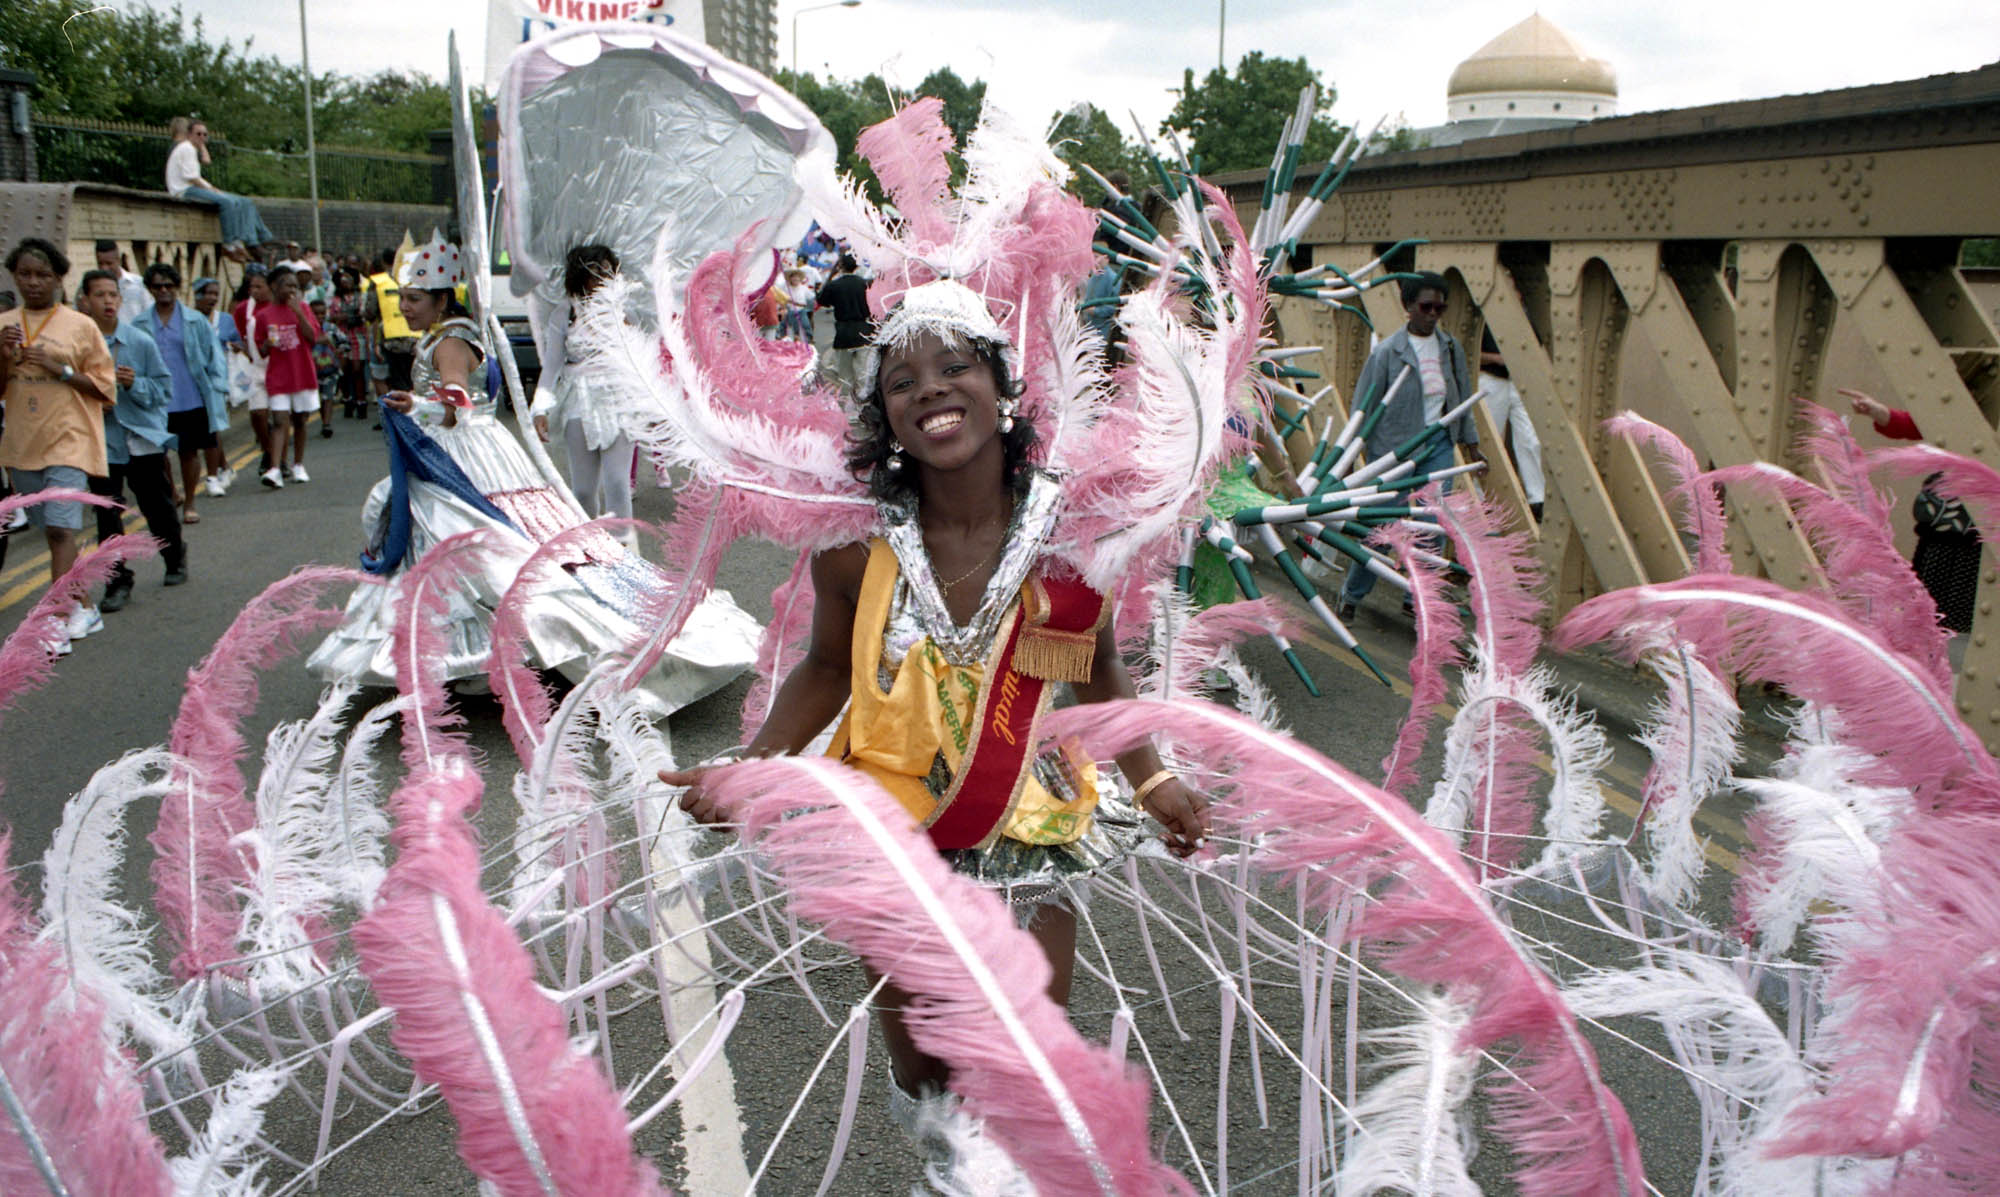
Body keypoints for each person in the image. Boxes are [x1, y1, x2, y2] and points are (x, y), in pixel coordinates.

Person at [662, 278, 1208, 1112]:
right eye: (903, 382)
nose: (932, 391)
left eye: (956, 367)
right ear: (886, 418)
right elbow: (827, 669)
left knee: (1024, 1051)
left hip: (1026, 818)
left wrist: (1152, 776)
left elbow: (1094, 666)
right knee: (923, 1065)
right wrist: (751, 765)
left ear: (1002, 390)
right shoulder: (853, 545)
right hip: (895, 826)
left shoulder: (1066, 537)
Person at [306, 232, 758, 704]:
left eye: (414, 298)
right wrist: (542, 405)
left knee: (548, 518)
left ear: (441, 299)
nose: (405, 306)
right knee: (562, 506)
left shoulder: (452, 341)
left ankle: (585, 593)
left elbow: (459, 398)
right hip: (523, 426)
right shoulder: (528, 321)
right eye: (403, 297)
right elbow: (550, 368)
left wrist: (418, 405)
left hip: (510, 437)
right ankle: (472, 648)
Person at [1335, 271, 1482, 621]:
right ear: (1408, 307)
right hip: (1393, 451)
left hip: (1438, 445)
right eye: (1426, 306)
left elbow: (1461, 398)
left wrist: (1472, 446)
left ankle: (1420, 602)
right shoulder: (1388, 353)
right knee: (1384, 527)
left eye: (1439, 307)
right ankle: (1352, 593)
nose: (1433, 314)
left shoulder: (1450, 348)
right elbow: (1363, 406)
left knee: (1432, 525)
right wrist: (1355, 454)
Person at [0, 238, 117, 653]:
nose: (33, 282)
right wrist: (4, 357)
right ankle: (84, 604)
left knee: (59, 528)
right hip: (23, 442)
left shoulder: (80, 325)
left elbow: (105, 387)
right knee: (51, 533)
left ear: (58, 278)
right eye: (25, 275)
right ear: (14, 276)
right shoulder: (5, 323)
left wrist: (61, 369)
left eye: (42, 275)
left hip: (69, 440)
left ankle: (56, 621)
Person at [77, 270, 185, 608]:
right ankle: (117, 581)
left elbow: (162, 390)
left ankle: (174, 556)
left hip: (140, 437)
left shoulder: (138, 341)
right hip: (101, 441)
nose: (107, 301)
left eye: (113, 295)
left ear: (120, 301)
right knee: (108, 514)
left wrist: (132, 384)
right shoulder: (79, 345)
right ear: (85, 301)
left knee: (156, 505)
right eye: (99, 295)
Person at [1845, 387, 1979, 634]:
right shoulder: (1965, 408)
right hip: (1945, 526)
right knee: (1931, 614)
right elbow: (1921, 423)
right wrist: (1880, 412)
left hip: (1974, 532)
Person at [530, 244, 637, 524]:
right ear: (580, 276)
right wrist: (540, 408)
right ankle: (590, 547)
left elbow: (643, 356)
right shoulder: (564, 313)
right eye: (595, 273)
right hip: (577, 399)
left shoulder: (624, 309)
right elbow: (552, 365)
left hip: (619, 399)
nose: (603, 279)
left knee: (616, 482)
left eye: (608, 272)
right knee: (583, 489)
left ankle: (623, 551)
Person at [138, 263, 231, 523]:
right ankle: (172, 492)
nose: (164, 290)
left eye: (169, 285)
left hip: (191, 396)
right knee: (159, 454)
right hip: (156, 400)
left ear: (177, 287)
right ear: (150, 289)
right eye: (158, 286)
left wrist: (218, 388)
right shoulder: (140, 323)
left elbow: (214, 356)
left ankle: (190, 502)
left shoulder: (194, 320)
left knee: (189, 452)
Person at [164, 117, 276, 258]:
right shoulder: (187, 148)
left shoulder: (191, 148)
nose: (202, 137)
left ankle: (255, 241)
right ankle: (229, 243)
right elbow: (191, 177)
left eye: (205, 135)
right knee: (227, 202)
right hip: (183, 189)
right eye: (198, 134)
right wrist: (211, 188)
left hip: (191, 186)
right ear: (189, 134)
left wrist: (211, 188)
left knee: (244, 202)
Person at [251, 265, 321, 487]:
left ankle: (298, 465)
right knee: (280, 421)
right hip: (278, 376)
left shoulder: (303, 308)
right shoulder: (263, 316)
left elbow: (313, 337)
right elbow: (261, 350)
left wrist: (299, 313)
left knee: (300, 420)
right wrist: (268, 344)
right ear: (275, 287)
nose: (292, 290)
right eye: (287, 285)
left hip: (302, 374)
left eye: (295, 286)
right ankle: (274, 470)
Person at [1476, 337, 1544, 522]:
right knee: (1489, 440)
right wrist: (1495, 359)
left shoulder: (1521, 314)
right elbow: (1470, 351)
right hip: (1491, 379)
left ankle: (1537, 499)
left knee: (1530, 439)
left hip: (1517, 381)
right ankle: (1480, 498)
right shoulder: (1484, 320)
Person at [188, 275, 239, 494]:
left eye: (215, 294)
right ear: (197, 295)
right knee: (206, 430)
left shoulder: (225, 320)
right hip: (191, 382)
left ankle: (212, 477)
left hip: (217, 382)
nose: (212, 298)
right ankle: (225, 467)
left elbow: (239, 341)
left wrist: (238, 347)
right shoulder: (187, 319)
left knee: (213, 428)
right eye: (207, 293)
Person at [228, 267, 276, 476]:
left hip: (276, 366)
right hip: (253, 366)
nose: (254, 291)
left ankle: (278, 460)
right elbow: (237, 336)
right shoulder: (243, 310)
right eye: (251, 287)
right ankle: (267, 450)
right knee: (258, 413)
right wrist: (242, 348)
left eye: (259, 286)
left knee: (280, 416)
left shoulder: (276, 306)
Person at [814, 253, 872, 398]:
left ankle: (849, 404)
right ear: (856, 266)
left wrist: (830, 277)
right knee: (864, 372)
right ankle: (865, 403)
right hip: (865, 331)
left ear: (841, 267)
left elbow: (821, 300)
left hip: (844, 333)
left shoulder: (835, 285)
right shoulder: (865, 284)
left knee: (845, 375)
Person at [365, 245, 417, 402]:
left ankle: (401, 420)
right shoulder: (415, 278)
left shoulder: (378, 282)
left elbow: (370, 312)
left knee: (397, 383)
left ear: (383, 262)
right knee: (415, 381)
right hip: (416, 337)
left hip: (391, 340)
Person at [326, 266, 370, 418]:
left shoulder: (361, 296)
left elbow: (365, 315)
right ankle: (347, 399)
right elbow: (330, 317)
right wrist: (338, 318)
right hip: (341, 336)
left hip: (358, 335)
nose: (346, 282)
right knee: (343, 369)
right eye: (342, 280)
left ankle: (361, 401)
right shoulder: (335, 299)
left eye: (348, 279)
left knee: (358, 369)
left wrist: (351, 317)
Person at [309, 297, 347, 437]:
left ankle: (327, 424)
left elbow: (344, 342)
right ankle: (324, 419)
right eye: (316, 314)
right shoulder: (307, 329)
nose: (319, 316)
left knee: (328, 396)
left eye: (322, 313)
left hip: (330, 368)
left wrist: (340, 350)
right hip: (312, 370)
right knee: (319, 399)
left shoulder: (331, 328)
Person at [94, 241, 148, 325]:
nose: (104, 268)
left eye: (109, 263)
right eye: (100, 263)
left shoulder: (139, 284)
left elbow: (149, 314)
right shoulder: (89, 285)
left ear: (118, 260)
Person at [780, 266, 815, 343]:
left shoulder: (803, 288)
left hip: (801, 310)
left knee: (805, 325)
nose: (795, 279)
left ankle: (808, 341)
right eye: (793, 277)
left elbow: (812, 297)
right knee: (785, 327)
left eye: (797, 277)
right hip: (789, 310)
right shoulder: (786, 288)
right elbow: (782, 299)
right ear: (790, 278)